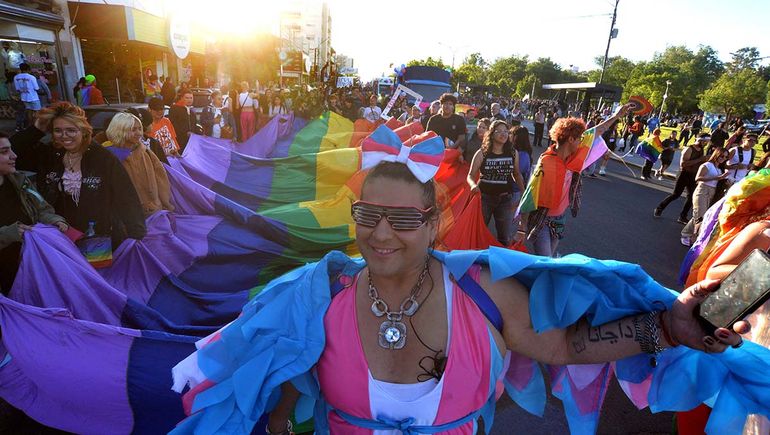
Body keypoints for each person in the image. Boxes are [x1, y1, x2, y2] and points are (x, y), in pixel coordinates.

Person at [173, 132, 751, 435]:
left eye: (402, 219)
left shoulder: (483, 293)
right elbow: (287, 382)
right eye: (367, 216)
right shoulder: (319, 297)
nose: (380, 235)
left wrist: (668, 327)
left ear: (435, 222)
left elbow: (564, 346)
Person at [9, 102, 145, 246]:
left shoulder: (102, 157)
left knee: (95, 269)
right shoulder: (49, 155)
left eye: (71, 130)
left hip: (98, 236)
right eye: (58, 130)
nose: (64, 136)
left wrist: (136, 236)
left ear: (83, 130)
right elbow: (10, 153)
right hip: (60, 236)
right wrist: (36, 130)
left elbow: (126, 196)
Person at [521, 105, 632, 257]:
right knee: (545, 261)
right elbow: (530, 196)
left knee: (550, 260)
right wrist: (521, 228)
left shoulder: (574, 156)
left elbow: (597, 131)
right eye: (579, 138)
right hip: (542, 218)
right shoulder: (546, 162)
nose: (582, 141)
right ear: (571, 139)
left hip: (560, 218)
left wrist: (617, 115)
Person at [0, 132, 68, 293]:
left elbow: (41, 209)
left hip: (27, 267)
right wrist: (8, 234)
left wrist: (54, 220)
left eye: (11, 150)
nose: (14, 156)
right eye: (4, 152)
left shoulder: (20, 180)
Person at [467, 120, 525, 246]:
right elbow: (470, 175)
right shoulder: (482, 153)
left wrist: (524, 192)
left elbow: (516, 174)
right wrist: (473, 185)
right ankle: (477, 261)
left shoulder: (513, 153)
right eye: (499, 131)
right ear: (492, 134)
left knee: (504, 237)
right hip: (484, 199)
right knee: (478, 232)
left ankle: (500, 264)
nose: (503, 134)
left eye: (506, 131)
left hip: (505, 199)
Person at [103, 113, 174, 217]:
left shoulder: (147, 153)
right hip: (124, 217)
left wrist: (165, 205)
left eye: (139, 129)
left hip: (153, 213)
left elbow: (162, 180)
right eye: (133, 129)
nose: (139, 133)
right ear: (119, 130)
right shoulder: (108, 156)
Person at [654, 133, 710, 223]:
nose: (706, 144)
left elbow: (699, 162)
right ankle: (660, 207)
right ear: (699, 140)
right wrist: (700, 159)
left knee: (691, 196)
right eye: (704, 142)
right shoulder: (689, 149)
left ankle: (682, 216)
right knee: (676, 194)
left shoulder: (701, 150)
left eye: (707, 142)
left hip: (693, 175)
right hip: (684, 174)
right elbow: (683, 164)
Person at [680, 148, 730, 246]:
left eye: (725, 157)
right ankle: (694, 239)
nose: (723, 158)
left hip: (712, 192)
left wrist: (725, 182)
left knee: (700, 215)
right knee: (700, 216)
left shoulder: (720, 169)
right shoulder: (707, 165)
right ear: (716, 154)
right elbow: (698, 178)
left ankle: (686, 234)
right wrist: (717, 178)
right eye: (721, 156)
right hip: (702, 190)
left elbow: (719, 181)